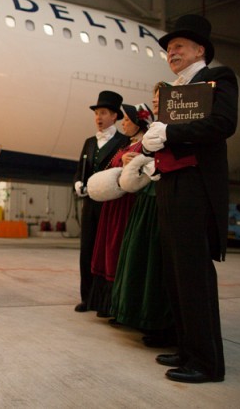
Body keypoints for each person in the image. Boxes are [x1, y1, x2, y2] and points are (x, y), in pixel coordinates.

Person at [142, 14, 238, 383]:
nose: (171, 52)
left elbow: (222, 124)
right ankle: (187, 347)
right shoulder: (174, 88)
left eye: (179, 45)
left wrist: (170, 133)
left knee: (193, 273)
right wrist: (155, 148)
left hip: (196, 185)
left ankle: (207, 362)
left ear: (200, 49)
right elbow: (170, 136)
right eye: (168, 48)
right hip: (172, 182)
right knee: (175, 271)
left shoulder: (218, 78)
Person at [110, 84, 176, 347]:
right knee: (138, 258)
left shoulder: (171, 129)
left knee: (154, 263)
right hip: (145, 200)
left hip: (159, 199)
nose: (156, 102)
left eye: (161, 99)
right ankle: (136, 315)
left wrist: (141, 161)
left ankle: (158, 322)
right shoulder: (152, 132)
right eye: (154, 99)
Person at [89, 103, 152, 318]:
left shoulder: (143, 146)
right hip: (113, 205)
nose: (123, 123)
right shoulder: (127, 145)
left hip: (126, 206)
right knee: (107, 248)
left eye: (127, 120)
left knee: (117, 250)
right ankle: (105, 303)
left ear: (138, 123)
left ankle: (119, 307)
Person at [73, 91, 128, 312]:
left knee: (107, 252)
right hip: (90, 204)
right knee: (86, 249)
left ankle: (106, 300)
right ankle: (87, 297)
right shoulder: (88, 142)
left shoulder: (123, 142)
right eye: (96, 113)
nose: (98, 117)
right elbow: (80, 171)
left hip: (110, 206)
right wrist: (78, 183)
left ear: (114, 116)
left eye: (103, 113)